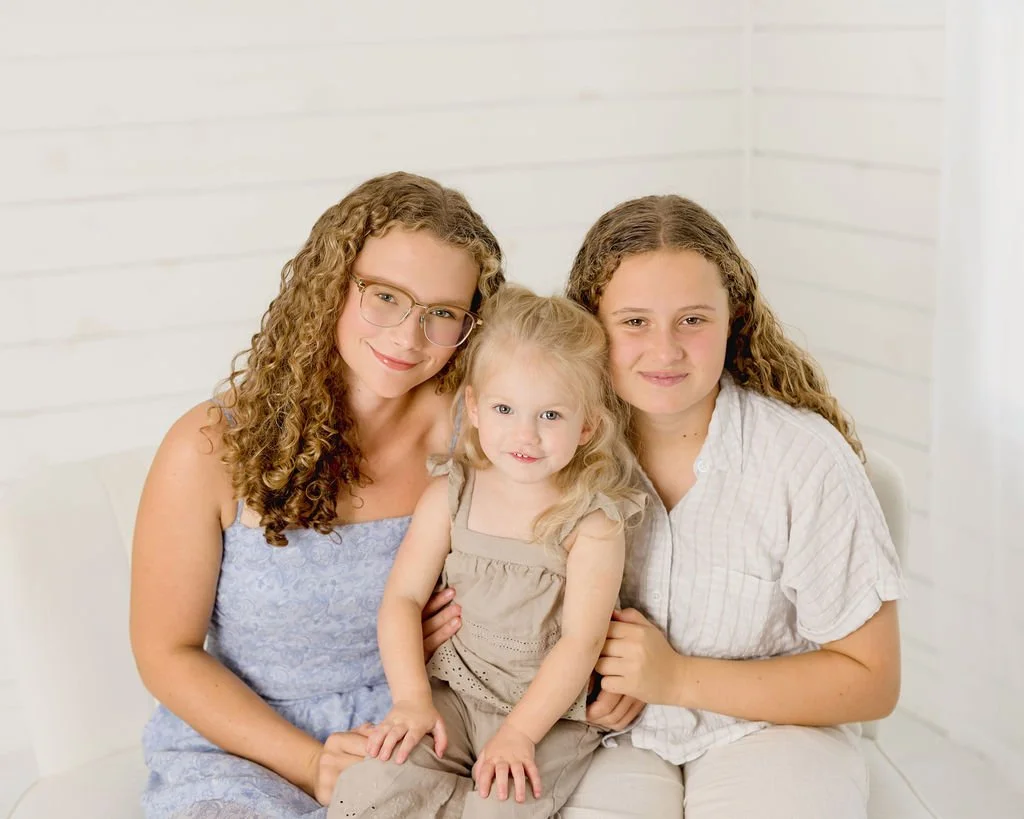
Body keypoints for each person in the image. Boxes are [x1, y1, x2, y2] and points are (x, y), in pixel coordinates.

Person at [129, 172, 505, 819]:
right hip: (240, 750)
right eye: (386, 297)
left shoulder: (480, 429)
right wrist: (311, 762)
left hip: (419, 737)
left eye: (442, 313)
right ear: (332, 283)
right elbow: (166, 652)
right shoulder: (210, 447)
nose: (410, 337)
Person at [553, 194, 907, 819]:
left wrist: (676, 678)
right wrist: (576, 687)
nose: (665, 350)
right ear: (591, 323)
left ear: (733, 317)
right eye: (634, 321)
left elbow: (872, 678)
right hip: (612, 733)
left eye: (693, 319)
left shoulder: (804, 459)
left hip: (774, 729)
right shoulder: (548, 445)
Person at [327, 285, 645, 818]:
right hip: (450, 693)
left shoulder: (591, 522)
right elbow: (402, 599)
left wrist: (519, 733)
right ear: (473, 407)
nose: (525, 434)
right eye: (504, 408)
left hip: (544, 717)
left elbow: (581, 643)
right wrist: (411, 699)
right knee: (371, 789)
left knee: (502, 805)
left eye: (550, 416)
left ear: (586, 425)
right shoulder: (451, 494)